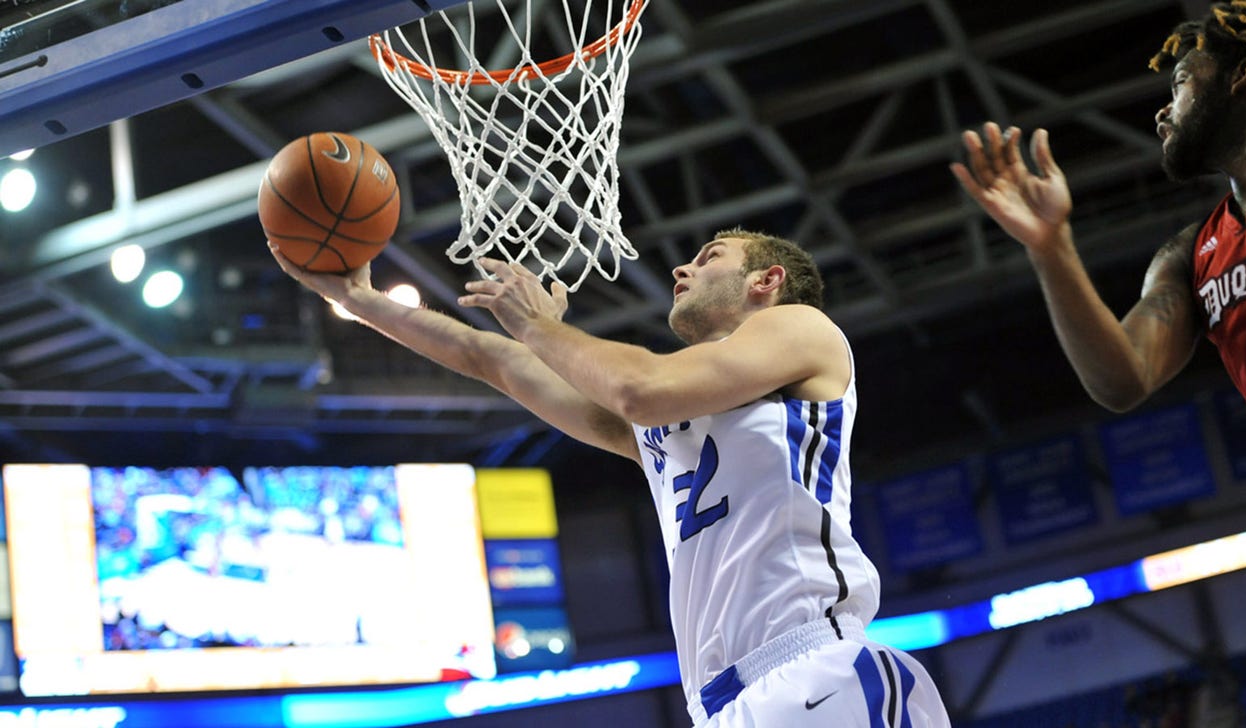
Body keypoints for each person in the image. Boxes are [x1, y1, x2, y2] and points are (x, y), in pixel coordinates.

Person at [270, 229, 949, 726]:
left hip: (817, 669)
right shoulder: (659, 429)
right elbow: (487, 358)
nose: (682, 267)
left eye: (711, 255)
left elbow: (635, 387)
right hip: (724, 706)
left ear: (765, 281)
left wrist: (538, 326)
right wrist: (358, 298)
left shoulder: (804, 330)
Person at [951, 0, 1246, 482]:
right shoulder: (1191, 254)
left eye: (1180, 83)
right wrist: (1050, 247)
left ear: (1240, 75)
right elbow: (1123, 379)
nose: (1162, 112)